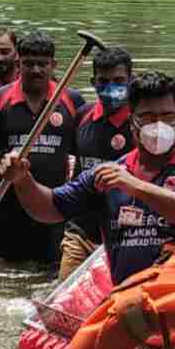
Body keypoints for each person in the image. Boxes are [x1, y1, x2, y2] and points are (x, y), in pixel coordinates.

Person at [0, 71, 175, 284]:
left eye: (168, 116)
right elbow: (48, 208)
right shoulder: (108, 175)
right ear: (132, 121)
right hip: (128, 297)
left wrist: (135, 186)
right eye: (147, 117)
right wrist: (22, 180)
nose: (158, 125)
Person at [0, 30, 85, 263]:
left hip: (54, 207)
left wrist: (82, 210)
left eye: (43, 64)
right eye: (29, 64)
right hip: (4, 208)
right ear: (18, 63)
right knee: (5, 276)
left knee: (51, 273)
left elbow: (85, 157)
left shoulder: (72, 100)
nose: (36, 70)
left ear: (54, 65)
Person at [58, 47, 136, 280]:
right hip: (81, 233)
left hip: (127, 235)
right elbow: (70, 163)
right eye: (103, 81)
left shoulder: (141, 124)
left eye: (119, 80)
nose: (111, 87)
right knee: (63, 301)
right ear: (93, 82)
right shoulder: (82, 115)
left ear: (131, 81)